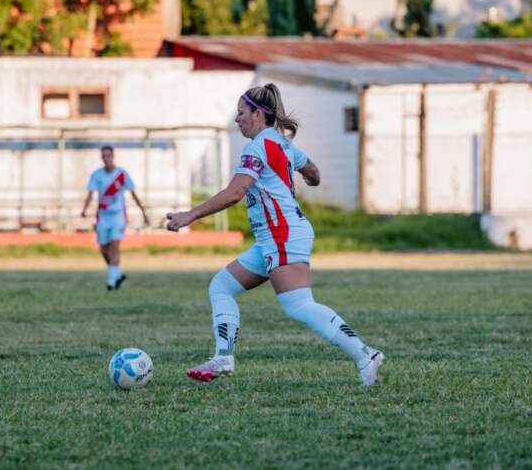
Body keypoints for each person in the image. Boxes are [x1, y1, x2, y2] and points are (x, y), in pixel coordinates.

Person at [166, 83, 385, 386]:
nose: (237, 119)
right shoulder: (282, 145)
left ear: (258, 114)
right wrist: (304, 177)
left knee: (299, 305)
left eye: (241, 113)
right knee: (222, 287)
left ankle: (366, 355)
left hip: (282, 234)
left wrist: (190, 215)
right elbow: (315, 173)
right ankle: (223, 357)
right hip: (275, 237)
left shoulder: (257, 147)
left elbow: (235, 192)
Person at [81, 146, 149, 290]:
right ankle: (117, 273)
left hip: (118, 216)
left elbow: (133, 193)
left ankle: (111, 281)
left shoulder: (122, 174)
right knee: (104, 249)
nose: (106, 159)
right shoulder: (97, 175)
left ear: (113, 157)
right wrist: (84, 209)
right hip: (103, 216)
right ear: (102, 158)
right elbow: (90, 194)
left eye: (109, 156)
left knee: (114, 246)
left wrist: (143, 212)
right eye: (104, 156)